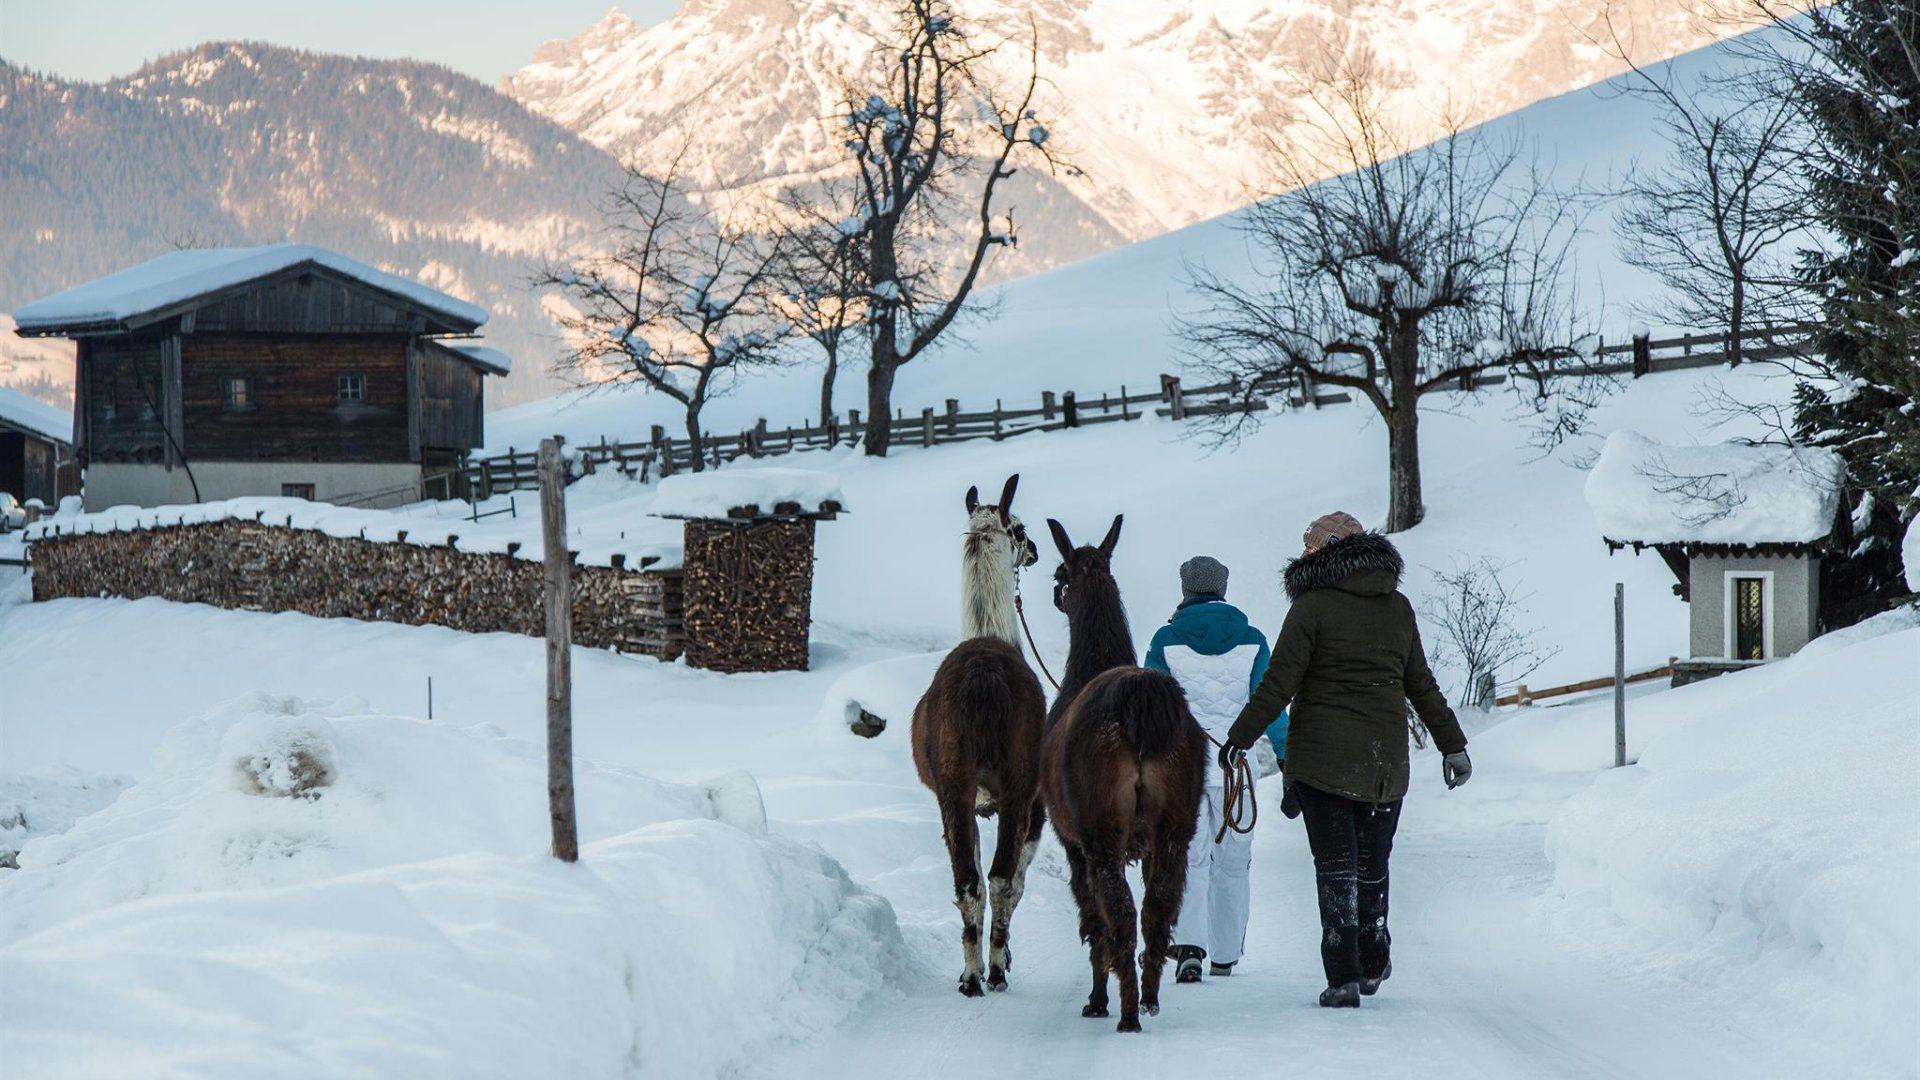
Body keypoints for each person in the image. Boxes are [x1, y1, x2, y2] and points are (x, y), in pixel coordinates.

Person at [1217, 512, 1472, 1009]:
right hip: (1384, 765)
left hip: (1322, 764)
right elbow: (1420, 683)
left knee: (1336, 869)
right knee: (1373, 865)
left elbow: (1278, 684)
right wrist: (1453, 745)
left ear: (1323, 555)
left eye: (1309, 548)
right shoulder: (1397, 606)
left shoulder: (1311, 608)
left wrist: (1239, 738)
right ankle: (1373, 960)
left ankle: (1344, 977)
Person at [1143, 555, 1285, 984]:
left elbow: (1151, 709)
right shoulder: (1253, 640)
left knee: (1188, 857)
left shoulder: (1164, 641)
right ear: (1222, 589)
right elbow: (1271, 706)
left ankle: (1189, 949)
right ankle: (1224, 954)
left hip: (1179, 773)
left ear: (1186, 590)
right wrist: (1286, 756)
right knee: (1234, 862)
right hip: (1235, 770)